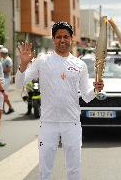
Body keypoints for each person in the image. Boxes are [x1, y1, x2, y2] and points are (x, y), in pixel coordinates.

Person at [15, 22, 104, 180]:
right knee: (44, 170)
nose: (62, 40)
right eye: (58, 37)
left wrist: (96, 90)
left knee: (74, 170)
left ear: (71, 39)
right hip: (48, 123)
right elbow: (18, 84)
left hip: (72, 123)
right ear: (53, 39)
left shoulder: (80, 65)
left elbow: (86, 96)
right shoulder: (42, 61)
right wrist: (23, 65)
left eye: (66, 36)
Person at [0, 47, 15, 114]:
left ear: (3, 53)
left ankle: (10, 107)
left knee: (3, 93)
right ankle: (2, 109)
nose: (0, 54)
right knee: (2, 93)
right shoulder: (3, 59)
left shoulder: (8, 60)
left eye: (1, 53)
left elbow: (8, 70)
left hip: (6, 78)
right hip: (3, 78)